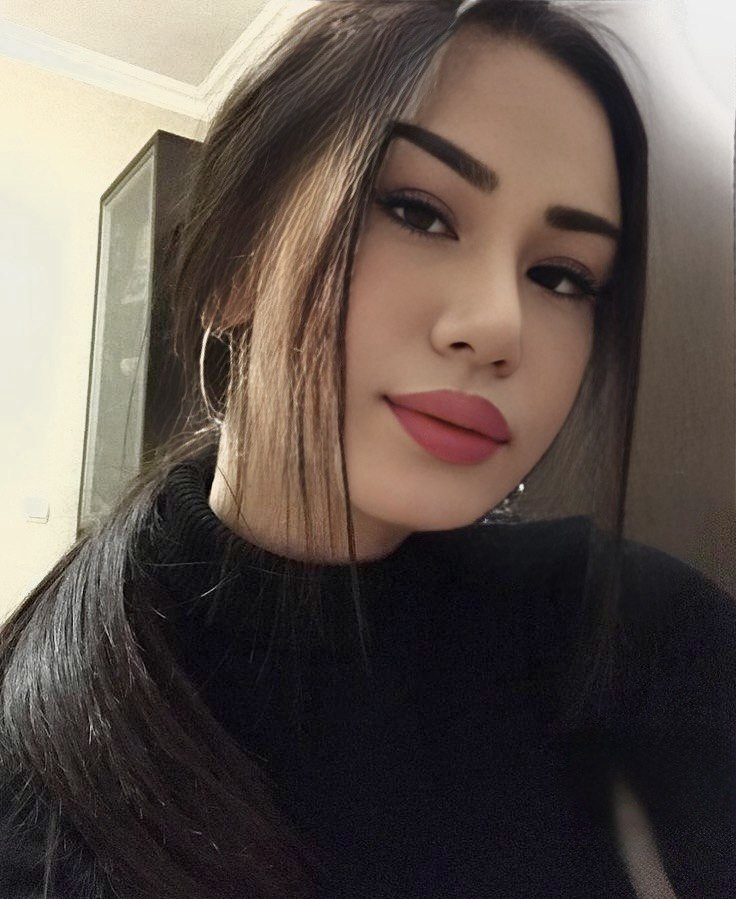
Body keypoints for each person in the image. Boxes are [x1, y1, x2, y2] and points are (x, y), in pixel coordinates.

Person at [1, 1, 734, 897]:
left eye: (561, 275)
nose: (499, 325)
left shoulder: (619, 628)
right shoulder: (42, 754)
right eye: (419, 212)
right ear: (234, 263)